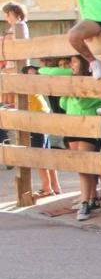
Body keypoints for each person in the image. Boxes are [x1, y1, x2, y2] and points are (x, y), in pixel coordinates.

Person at [61, 55, 101, 221]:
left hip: (88, 127)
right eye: (71, 62)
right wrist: (69, 92)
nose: (71, 65)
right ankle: (93, 196)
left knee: (83, 167)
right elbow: (63, 104)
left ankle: (84, 202)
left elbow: (84, 104)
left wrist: (74, 94)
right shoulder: (70, 81)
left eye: (74, 62)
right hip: (72, 127)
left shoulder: (94, 81)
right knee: (80, 166)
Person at [20, 65, 59, 197]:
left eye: (34, 74)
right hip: (40, 121)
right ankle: (53, 186)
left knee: (40, 156)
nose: (34, 77)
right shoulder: (31, 89)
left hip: (37, 123)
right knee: (45, 154)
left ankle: (48, 188)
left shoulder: (29, 89)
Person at [2, 1, 30, 108]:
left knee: (9, 79)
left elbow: (8, 39)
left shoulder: (20, 26)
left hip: (17, 62)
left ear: (14, 13)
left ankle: (11, 104)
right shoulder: (13, 27)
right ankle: (7, 104)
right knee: (6, 79)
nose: (6, 17)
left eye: (8, 14)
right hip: (11, 61)